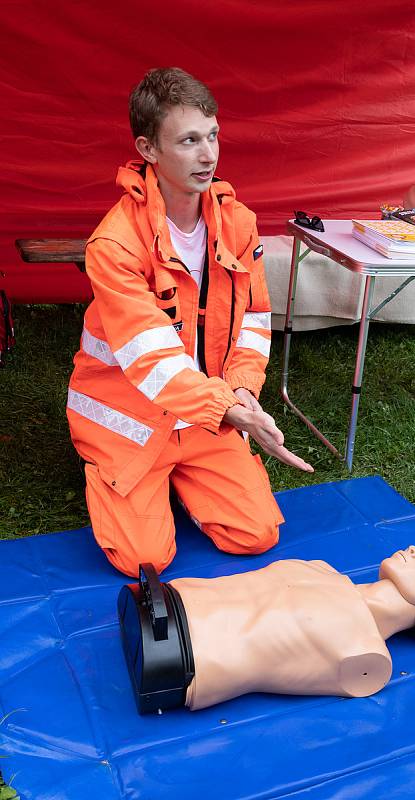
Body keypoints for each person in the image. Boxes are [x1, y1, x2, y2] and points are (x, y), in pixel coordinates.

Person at [67, 67, 313, 578]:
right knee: (144, 560)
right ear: (148, 149)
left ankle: (180, 481)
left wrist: (242, 392)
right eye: (189, 141)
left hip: (208, 415)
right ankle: (111, 472)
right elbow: (151, 358)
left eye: (213, 136)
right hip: (129, 420)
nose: (209, 156)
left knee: (256, 534)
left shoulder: (238, 223)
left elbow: (254, 322)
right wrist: (230, 411)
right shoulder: (114, 243)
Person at [165, 544, 415, 710]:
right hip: (164, 596)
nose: (413, 548)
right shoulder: (321, 569)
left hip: (176, 658)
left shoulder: (367, 657)